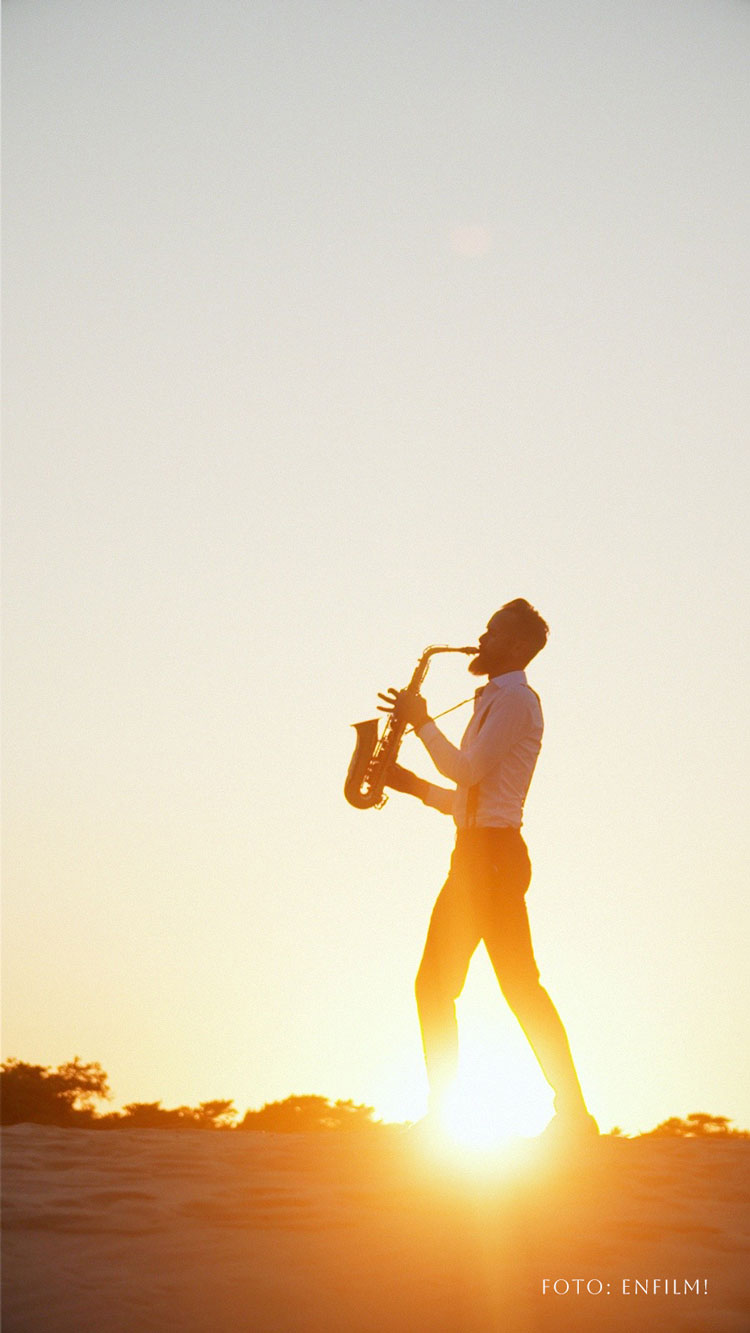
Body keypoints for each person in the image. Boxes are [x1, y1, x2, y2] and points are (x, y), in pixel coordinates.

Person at [379, 598, 597, 1140]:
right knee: (474, 986)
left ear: (520, 647)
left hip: (493, 859)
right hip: (479, 853)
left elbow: (469, 771)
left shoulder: (517, 700)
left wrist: (422, 720)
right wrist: (408, 784)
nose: (482, 638)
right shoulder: (494, 700)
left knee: (479, 986)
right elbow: (469, 799)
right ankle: (569, 1114)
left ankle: (557, 1115)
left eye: (495, 632)